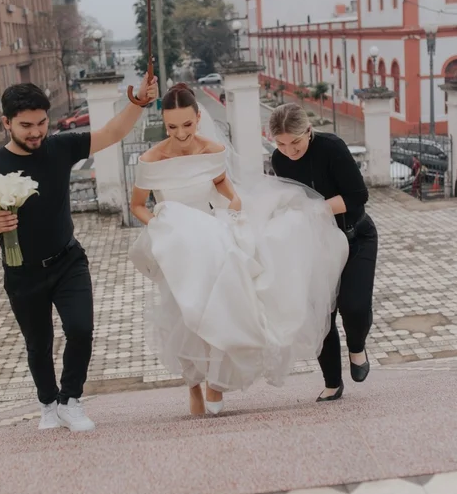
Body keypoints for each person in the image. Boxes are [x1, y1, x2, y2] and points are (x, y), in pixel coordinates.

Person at [129, 83, 348, 416]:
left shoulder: (212, 149)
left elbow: (226, 191)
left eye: (187, 125)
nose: (181, 133)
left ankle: (216, 382)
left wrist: (233, 207)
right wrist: (159, 224)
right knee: (182, 314)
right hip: (174, 240)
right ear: (164, 122)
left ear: (198, 117)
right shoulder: (151, 159)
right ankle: (194, 386)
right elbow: (138, 206)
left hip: (211, 234)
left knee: (224, 304)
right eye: (172, 127)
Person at [0, 78, 158, 432]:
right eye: (26, 125)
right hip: (22, 274)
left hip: (68, 260)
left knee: (81, 329)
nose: (37, 131)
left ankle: (71, 400)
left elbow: (112, 132)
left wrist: (139, 102)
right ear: (6, 123)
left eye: (41, 122)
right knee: (39, 345)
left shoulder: (60, 148)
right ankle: (47, 404)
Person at [270, 102, 377, 402]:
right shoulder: (279, 160)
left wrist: (315, 209)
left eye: (295, 142)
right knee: (321, 315)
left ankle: (357, 347)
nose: (289, 151)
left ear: (308, 131)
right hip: (316, 245)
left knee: (353, 308)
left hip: (356, 237)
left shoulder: (332, 147)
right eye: (280, 143)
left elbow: (358, 196)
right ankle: (333, 382)